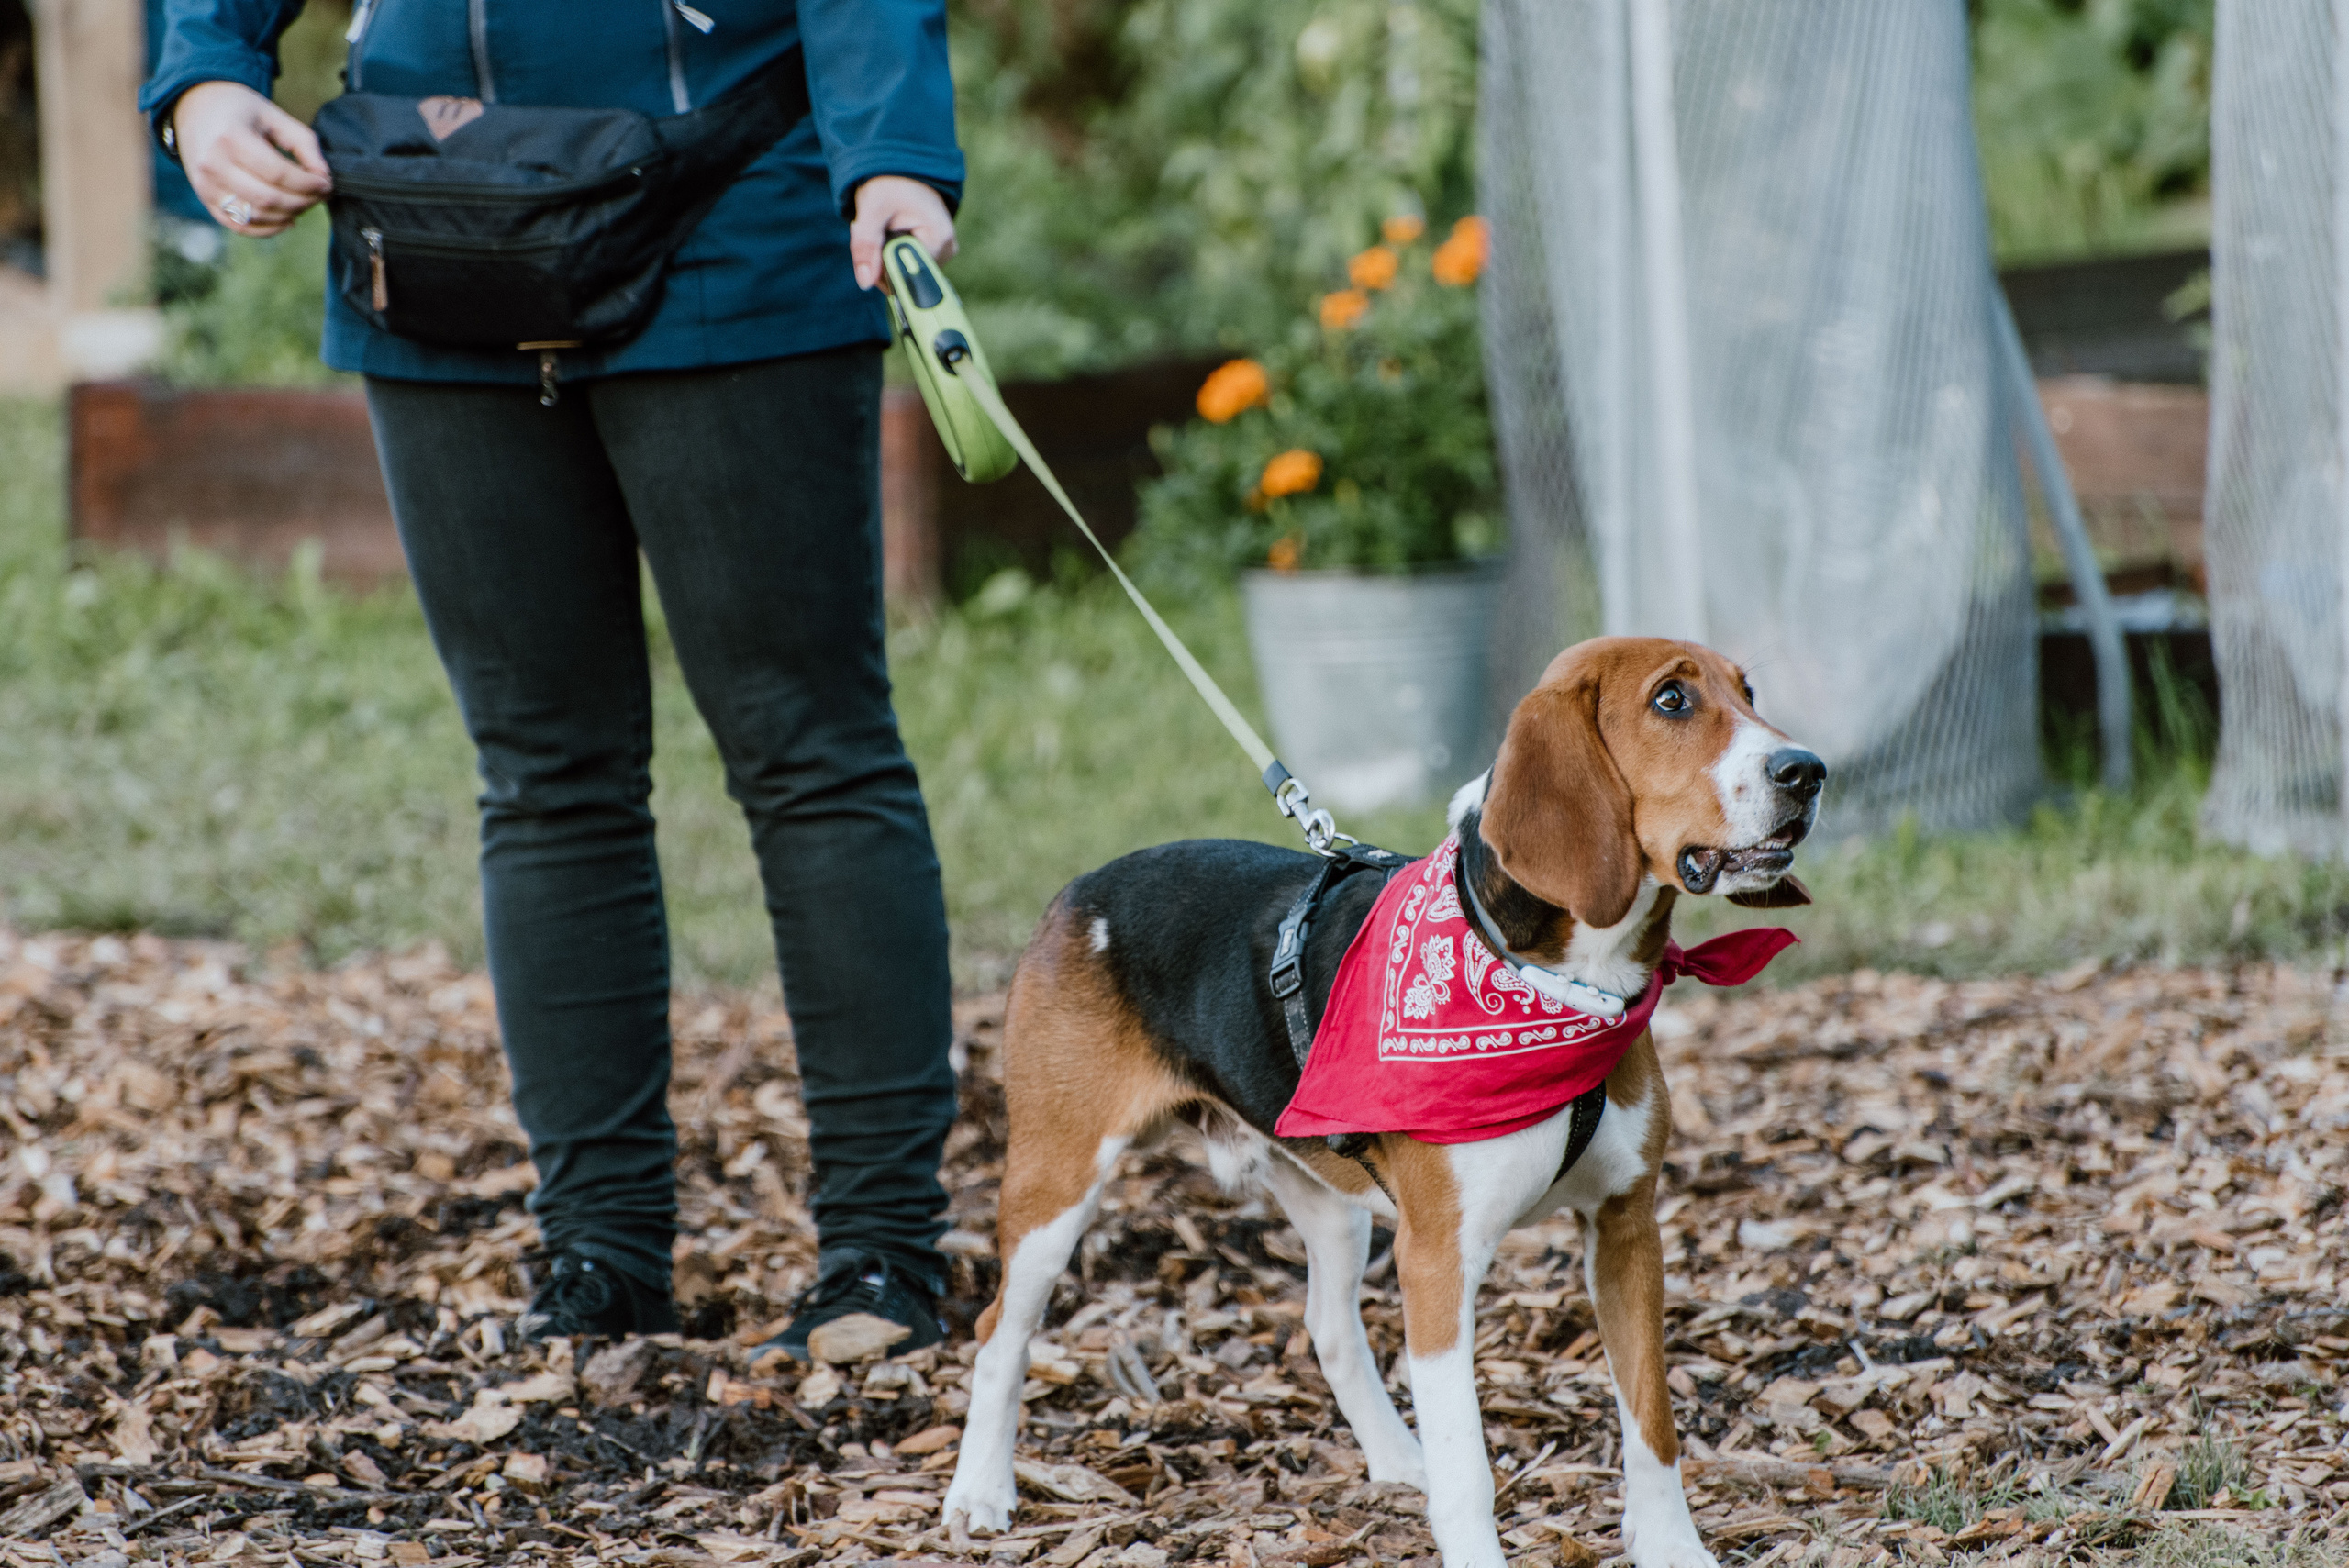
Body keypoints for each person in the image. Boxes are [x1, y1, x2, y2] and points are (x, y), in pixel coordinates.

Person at [142, 0, 967, 1356]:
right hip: (435, 224)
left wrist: (892, 158)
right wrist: (205, 82)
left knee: (808, 751)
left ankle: (881, 1252)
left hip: (733, 219)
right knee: (542, 773)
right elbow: (208, 47)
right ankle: (601, 1255)